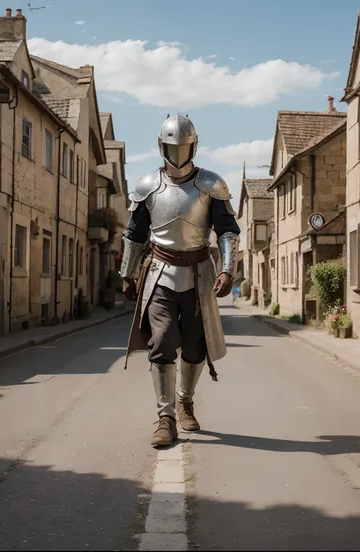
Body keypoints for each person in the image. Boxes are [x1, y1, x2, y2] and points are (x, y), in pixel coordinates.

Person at [120, 113, 241, 447]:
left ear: (193, 146)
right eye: (171, 148)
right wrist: (127, 275)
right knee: (161, 341)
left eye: (182, 148)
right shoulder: (148, 186)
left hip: (199, 273)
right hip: (158, 273)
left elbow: (227, 231)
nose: (177, 154)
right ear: (162, 147)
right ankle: (165, 417)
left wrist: (227, 270)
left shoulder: (210, 185)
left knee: (194, 345)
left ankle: (185, 400)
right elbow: (134, 234)